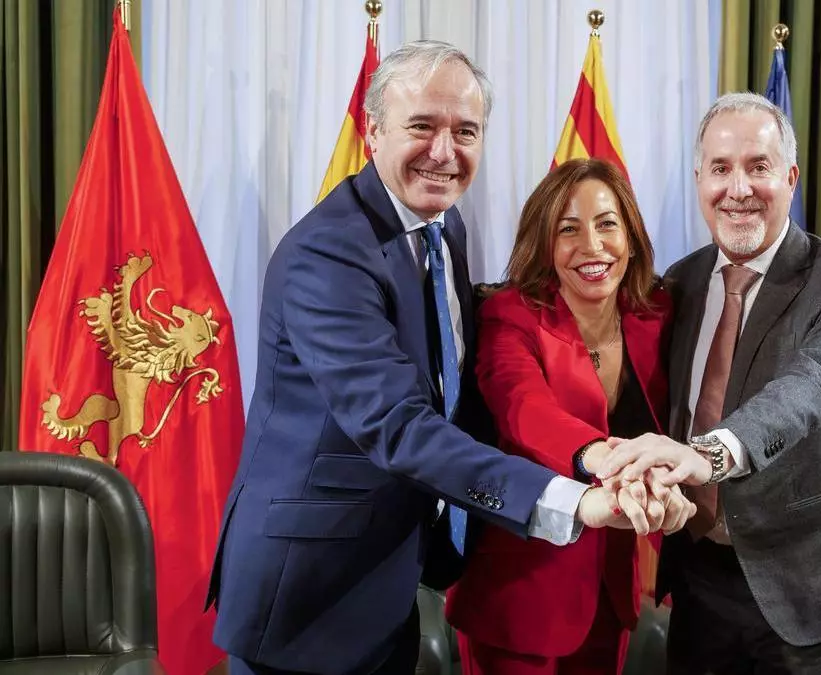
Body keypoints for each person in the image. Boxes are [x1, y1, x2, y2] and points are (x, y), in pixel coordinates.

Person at [205, 42, 670, 675]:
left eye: (465, 131)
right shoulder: (328, 255)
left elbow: (455, 393)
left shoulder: (443, 227)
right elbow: (398, 425)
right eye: (422, 126)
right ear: (373, 131)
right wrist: (574, 498)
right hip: (308, 591)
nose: (444, 152)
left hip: (389, 576)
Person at [599, 92, 821, 675]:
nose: (738, 189)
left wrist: (708, 455)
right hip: (700, 579)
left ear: (790, 178)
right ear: (699, 180)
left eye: (757, 166)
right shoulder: (680, 282)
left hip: (809, 587)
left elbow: (811, 387)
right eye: (720, 168)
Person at [444, 159, 693, 675]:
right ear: (545, 244)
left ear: (631, 237)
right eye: (568, 230)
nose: (592, 246)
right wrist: (605, 457)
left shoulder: (656, 314)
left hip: (611, 587)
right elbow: (523, 409)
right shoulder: (510, 314)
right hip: (519, 593)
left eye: (607, 224)